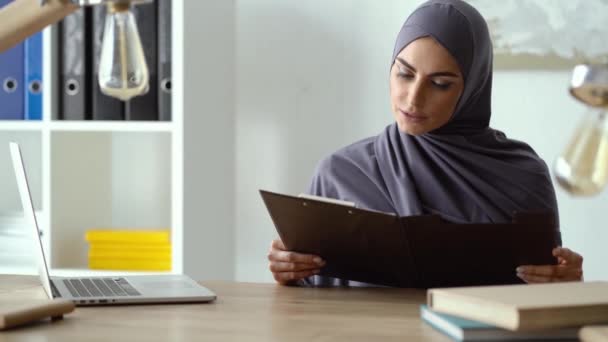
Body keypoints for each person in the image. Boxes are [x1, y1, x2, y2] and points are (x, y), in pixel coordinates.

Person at [267, 0, 584, 287]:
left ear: (473, 87)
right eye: (404, 74)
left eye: (440, 84)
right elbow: (308, 296)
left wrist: (566, 280)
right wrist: (289, 270)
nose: (413, 98)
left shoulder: (523, 177)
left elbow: (548, 291)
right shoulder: (340, 173)